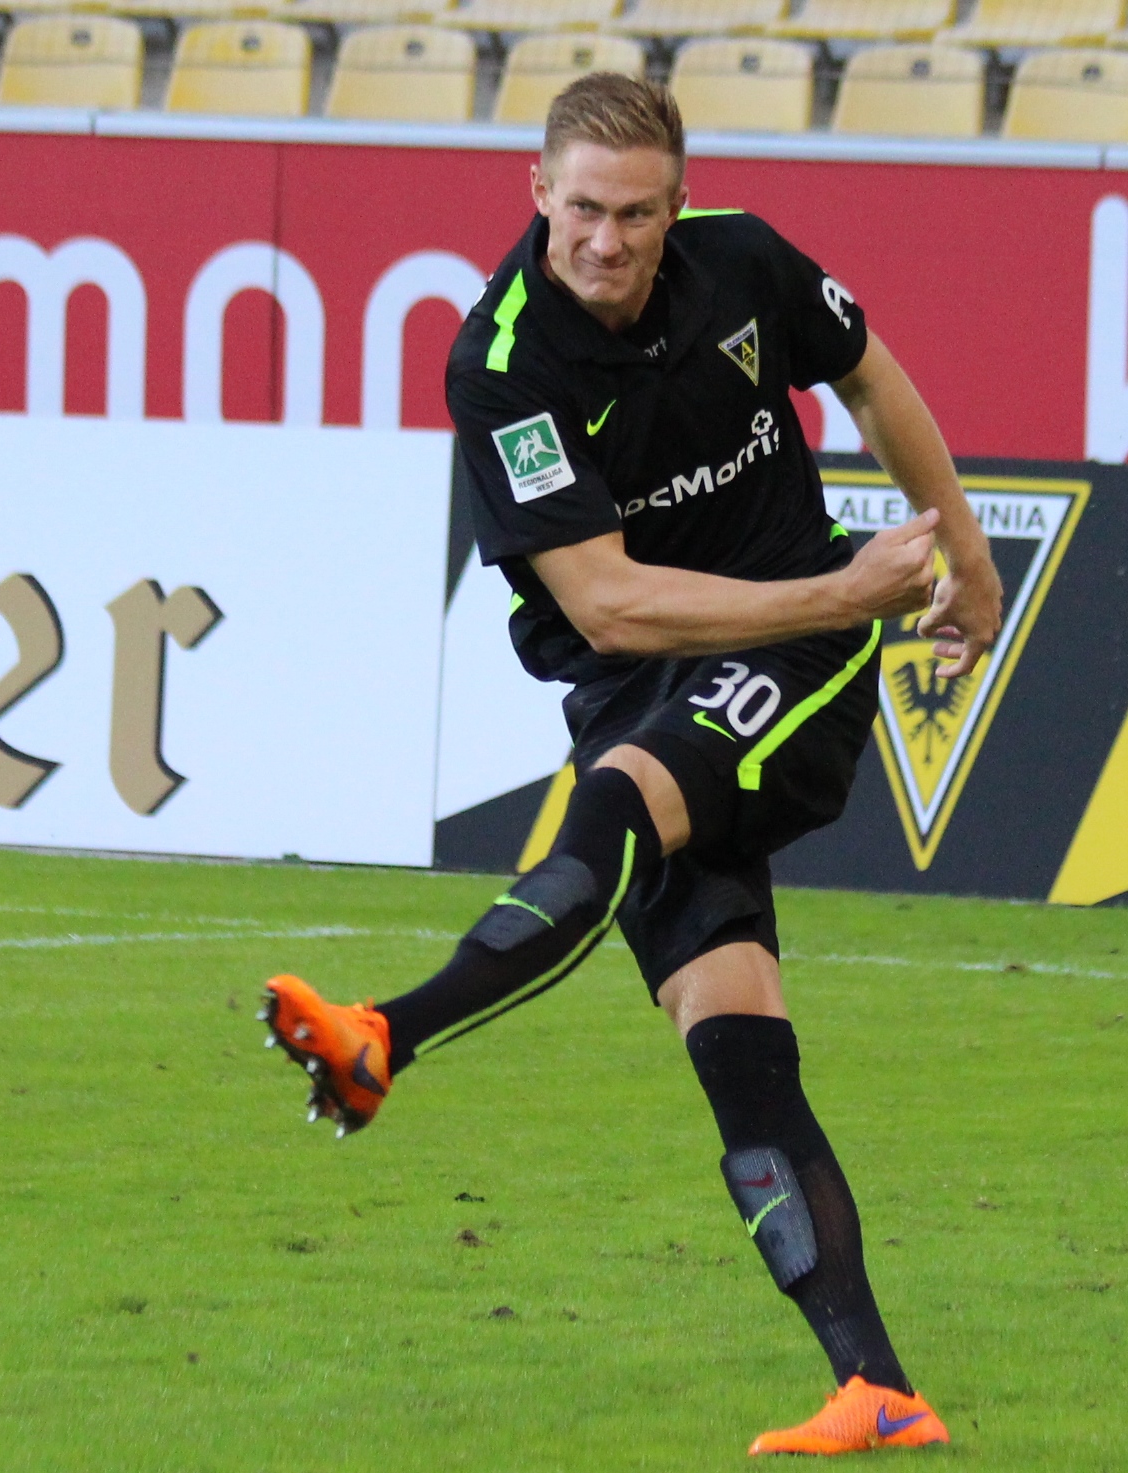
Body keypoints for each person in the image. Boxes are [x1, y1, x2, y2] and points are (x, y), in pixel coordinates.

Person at [259, 73, 1002, 1456]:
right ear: (539, 193)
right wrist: (854, 584)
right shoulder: (503, 367)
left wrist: (949, 545)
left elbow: (868, 371)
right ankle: (878, 1390)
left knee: (609, 812)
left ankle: (385, 1035)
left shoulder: (744, 261)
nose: (608, 240)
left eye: (639, 215)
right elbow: (605, 607)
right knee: (735, 1046)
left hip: (798, 647)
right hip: (640, 675)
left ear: (678, 205)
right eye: (586, 210)